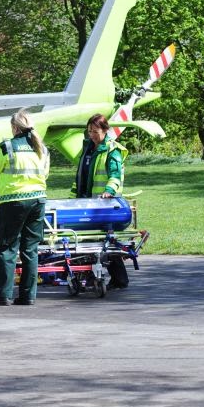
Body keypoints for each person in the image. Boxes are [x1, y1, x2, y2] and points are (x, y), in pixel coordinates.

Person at [0, 109, 50, 306]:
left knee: (7, 247)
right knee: (30, 248)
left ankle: (2, 294)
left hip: (13, 201)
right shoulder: (42, 149)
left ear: (14, 127)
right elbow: (45, 174)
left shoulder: (6, 147)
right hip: (38, 201)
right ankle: (28, 296)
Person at [73, 113, 130, 288]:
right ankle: (93, 277)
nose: (92, 135)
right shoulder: (88, 149)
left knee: (104, 243)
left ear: (105, 130)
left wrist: (108, 191)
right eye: (89, 131)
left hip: (104, 206)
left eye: (95, 131)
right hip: (88, 203)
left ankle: (119, 279)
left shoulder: (112, 150)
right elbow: (81, 176)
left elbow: (115, 175)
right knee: (90, 243)